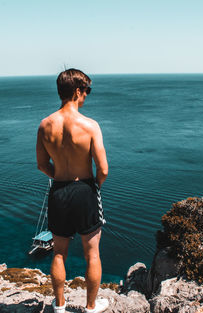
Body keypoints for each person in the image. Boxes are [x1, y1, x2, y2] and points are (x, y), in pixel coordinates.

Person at [36, 69, 109, 313]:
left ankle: (59, 307)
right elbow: (104, 169)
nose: (87, 95)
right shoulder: (90, 126)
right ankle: (90, 307)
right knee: (92, 254)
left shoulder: (45, 125)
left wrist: (57, 177)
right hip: (85, 189)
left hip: (59, 191)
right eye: (86, 91)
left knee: (58, 253)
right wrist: (94, 186)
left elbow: (42, 164)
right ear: (77, 91)